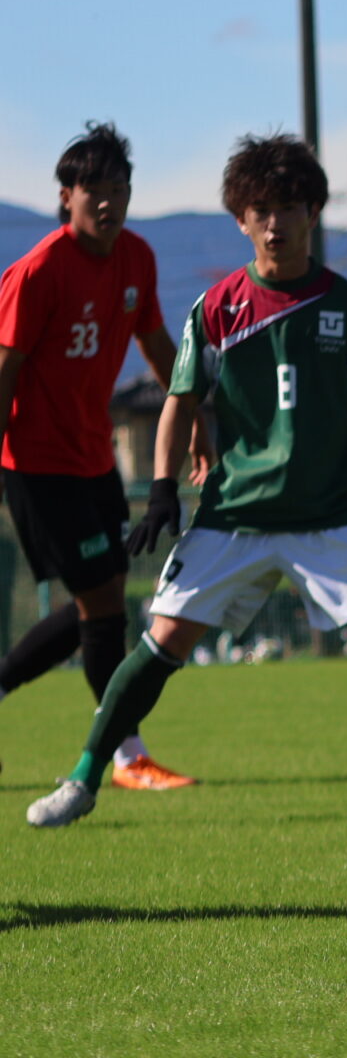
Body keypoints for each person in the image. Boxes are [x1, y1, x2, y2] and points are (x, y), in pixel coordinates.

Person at [27, 135, 347, 828]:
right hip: (233, 516)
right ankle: (86, 778)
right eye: (261, 209)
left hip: (330, 517)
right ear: (241, 219)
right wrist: (162, 489)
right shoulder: (216, 309)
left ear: (314, 214)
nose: (276, 223)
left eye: (290, 207)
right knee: (160, 642)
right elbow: (179, 401)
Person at [0, 123, 199, 791]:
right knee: (104, 602)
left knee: (104, 599)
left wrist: (196, 418)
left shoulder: (137, 258)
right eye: (96, 190)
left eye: (120, 188)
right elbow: (4, 370)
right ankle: (126, 755)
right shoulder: (38, 272)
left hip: (95, 458)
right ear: (67, 197)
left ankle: (112, 746)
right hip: (36, 463)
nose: (110, 202)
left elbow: (157, 344)